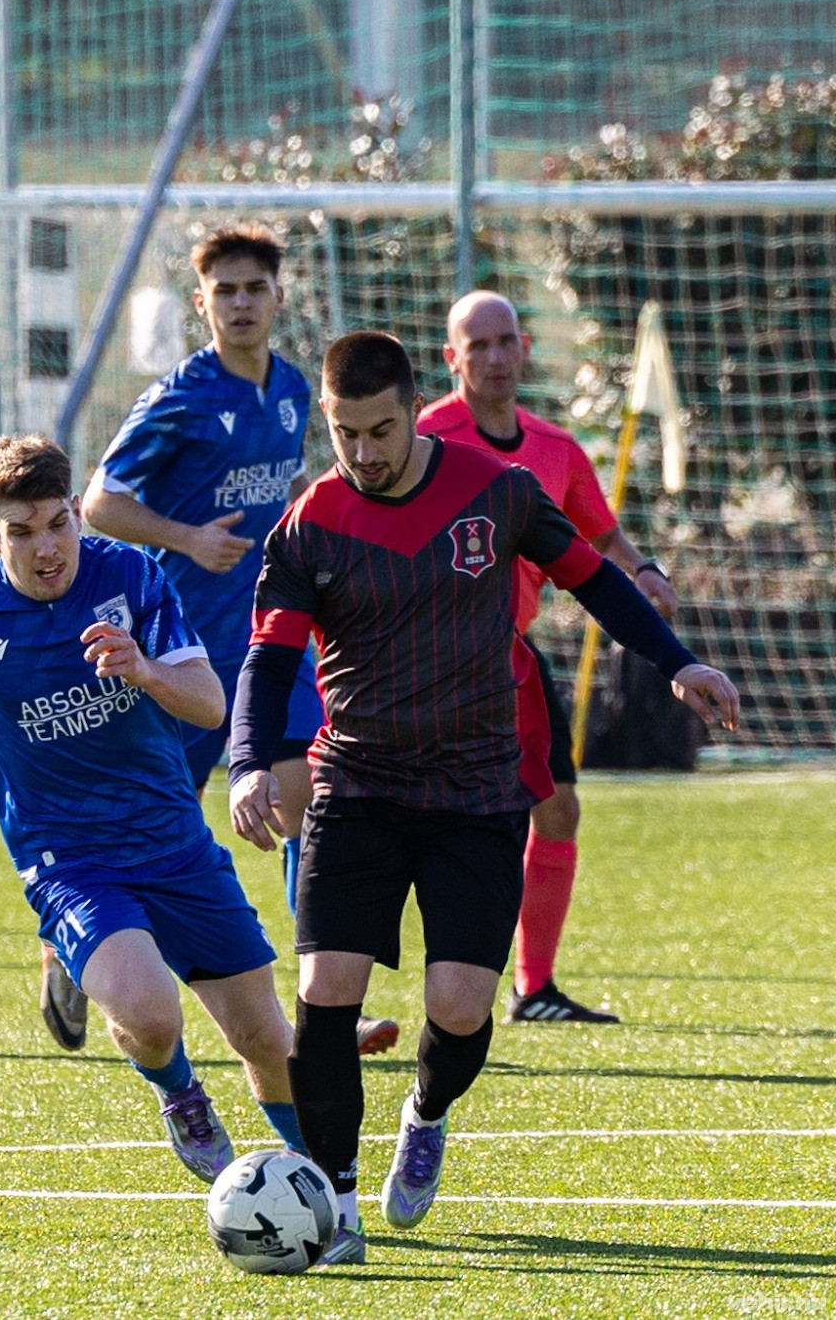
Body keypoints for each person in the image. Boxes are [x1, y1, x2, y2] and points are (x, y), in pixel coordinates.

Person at [228, 332, 739, 1263]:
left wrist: (678, 661)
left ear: (415, 407)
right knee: (324, 991)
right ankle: (336, 1204)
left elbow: (595, 580)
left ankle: (426, 1111)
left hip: (473, 787)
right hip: (359, 783)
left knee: (461, 1008)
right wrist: (251, 762)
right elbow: (268, 658)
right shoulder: (312, 521)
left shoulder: (494, 490)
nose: (367, 452)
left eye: (382, 430)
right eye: (346, 434)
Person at [0, 434, 307, 1185]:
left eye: (59, 522)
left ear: (75, 515)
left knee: (265, 1035)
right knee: (153, 1013)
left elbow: (209, 705)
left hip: (174, 844)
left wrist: (145, 668)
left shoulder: (131, 573)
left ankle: (318, 1176)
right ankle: (180, 1092)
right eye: (22, 532)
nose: (47, 547)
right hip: (72, 862)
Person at [81, 224, 399, 1060]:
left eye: (255, 287)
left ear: (278, 296)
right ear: (202, 303)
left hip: (273, 640)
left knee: (318, 798)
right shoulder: (181, 396)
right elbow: (99, 504)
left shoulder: (295, 391)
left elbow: (290, 488)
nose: (242, 302)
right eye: (225, 290)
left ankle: (321, 1004)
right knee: (149, 826)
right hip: (180, 651)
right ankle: (71, 949)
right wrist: (185, 538)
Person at [419, 291, 681, 1025]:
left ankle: (533, 988)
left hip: (512, 654)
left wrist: (646, 571)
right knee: (421, 819)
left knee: (557, 807)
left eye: (507, 342)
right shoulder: (424, 439)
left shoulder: (555, 448)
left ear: (525, 346)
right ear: (453, 358)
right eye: (479, 346)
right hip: (430, 655)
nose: (496, 358)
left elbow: (601, 534)